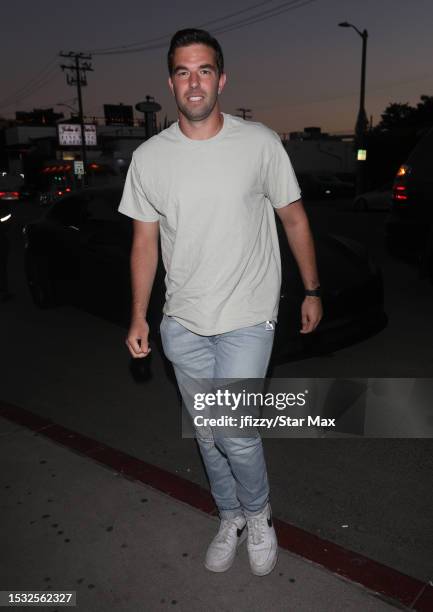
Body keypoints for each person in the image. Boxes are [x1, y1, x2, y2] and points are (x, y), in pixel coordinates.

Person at [118, 28, 322, 576]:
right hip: (183, 322)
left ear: (221, 78)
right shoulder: (150, 157)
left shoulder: (259, 143)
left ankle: (260, 515)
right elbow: (144, 241)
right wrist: (139, 314)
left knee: (234, 428)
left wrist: (312, 288)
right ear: (170, 82)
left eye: (204, 70)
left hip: (247, 316)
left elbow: (294, 218)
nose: (194, 81)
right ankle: (229, 513)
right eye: (183, 71)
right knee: (207, 431)